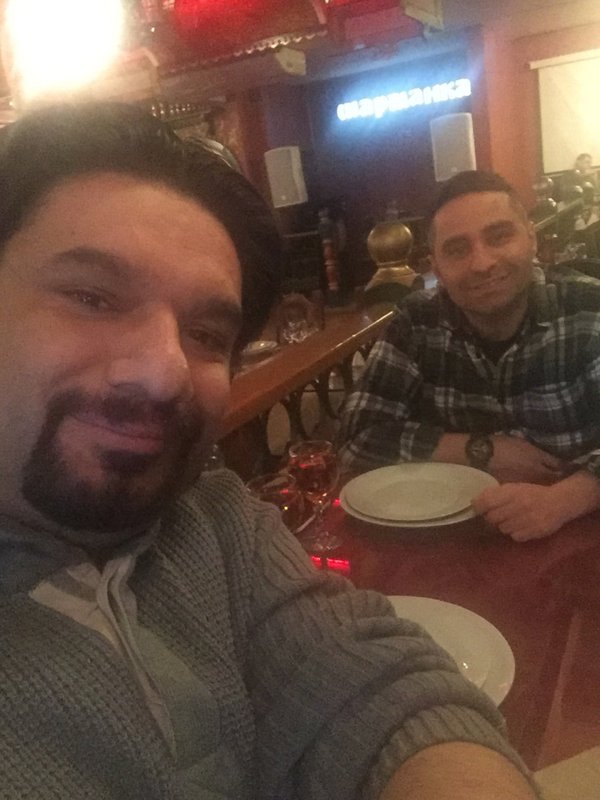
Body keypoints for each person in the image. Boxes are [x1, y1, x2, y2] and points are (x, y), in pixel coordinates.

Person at [0, 103, 538, 800]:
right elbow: (365, 431)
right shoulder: (415, 326)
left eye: (206, 334)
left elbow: (375, 688)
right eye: (93, 297)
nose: (164, 373)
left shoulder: (212, 519)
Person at [339, 170, 600, 542]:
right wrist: (481, 449)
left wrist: (563, 501)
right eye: (457, 249)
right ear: (437, 267)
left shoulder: (589, 309)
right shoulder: (416, 323)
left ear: (531, 238)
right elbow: (357, 437)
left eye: (499, 236)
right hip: (453, 543)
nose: (482, 263)